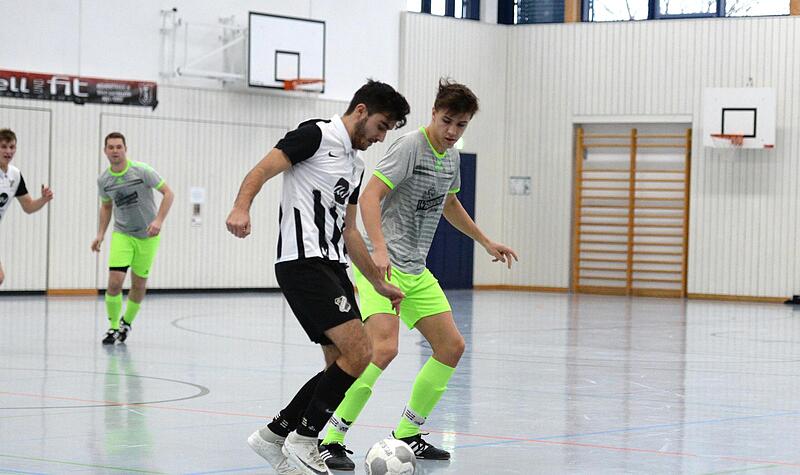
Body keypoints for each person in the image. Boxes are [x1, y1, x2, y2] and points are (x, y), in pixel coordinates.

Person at [319, 79, 519, 470]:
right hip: (385, 266)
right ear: (434, 113)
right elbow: (370, 196)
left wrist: (485, 241)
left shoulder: (452, 157)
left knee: (451, 348)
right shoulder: (411, 146)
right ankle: (331, 436)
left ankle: (408, 432)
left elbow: (449, 204)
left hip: (416, 270)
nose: (451, 132)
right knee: (382, 349)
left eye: (460, 126)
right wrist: (378, 250)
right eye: (447, 121)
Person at [226, 80, 411, 475]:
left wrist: (377, 282)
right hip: (302, 263)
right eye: (381, 126)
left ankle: (274, 436)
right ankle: (306, 439)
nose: (380, 137)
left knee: (341, 364)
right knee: (361, 352)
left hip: (334, 266)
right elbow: (261, 169)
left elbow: (350, 231)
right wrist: (241, 207)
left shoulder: (356, 166)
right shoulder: (315, 135)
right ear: (361, 111)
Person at [91, 132, 174, 344]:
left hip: (147, 236)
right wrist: (100, 234)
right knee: (115, 282)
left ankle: (126, 323)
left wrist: (158, 221)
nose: (115, 151)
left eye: (119, 147)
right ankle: (112, 327)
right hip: (122, 234)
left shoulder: (142, 171)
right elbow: (106, 206)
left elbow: (168, 193)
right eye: (111, 147)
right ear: (105, 151)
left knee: (138, 285)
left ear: (125, 149)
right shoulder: (104, 180)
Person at [0, 128, 53, 286]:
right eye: (3, 146)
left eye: (12, 147)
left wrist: (43, 199)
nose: (8, 151)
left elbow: (28, 207)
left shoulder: (14, 175)